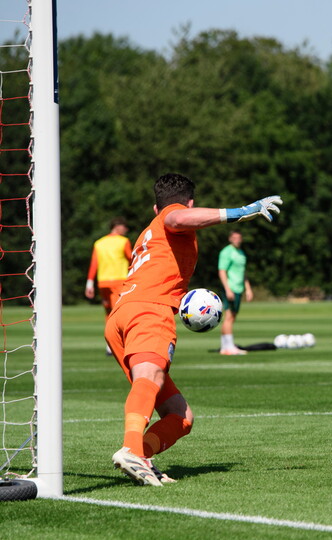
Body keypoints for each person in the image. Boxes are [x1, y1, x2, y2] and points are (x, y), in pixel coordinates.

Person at [105, 173, 281, 486]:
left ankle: (141, 456)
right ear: (189, 202)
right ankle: (131, 449)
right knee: (149, 378)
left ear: (152, 206)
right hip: (149, 311)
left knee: (181, 417)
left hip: (121, 315)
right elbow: (177, 217)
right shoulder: (170, 219)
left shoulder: (149, 230)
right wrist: (240, 211)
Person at [85, 217, 133, 355]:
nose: (126, 229)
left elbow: (94, 263)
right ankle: (117, 344)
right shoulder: (124, 241)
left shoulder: (99, 243)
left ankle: (109, 345)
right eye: (124, 226)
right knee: (120, 314)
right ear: (117, 226)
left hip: (103, 282)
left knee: (108, 313)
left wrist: (89, 283)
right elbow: (132, 259)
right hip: (119, 281)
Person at [218, 230, 254, 355]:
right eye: (234, 237)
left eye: (239, 237)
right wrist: (228, 289)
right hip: (230, 288)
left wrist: (248, 288)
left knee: (232, 317)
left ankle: (225, 347)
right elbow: (222, 271)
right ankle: (228, 347)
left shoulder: (241, 253)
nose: (237, 240)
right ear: (230, 239)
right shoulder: (226, 252)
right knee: (229, 317)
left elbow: (243, 273)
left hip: (239, 289)